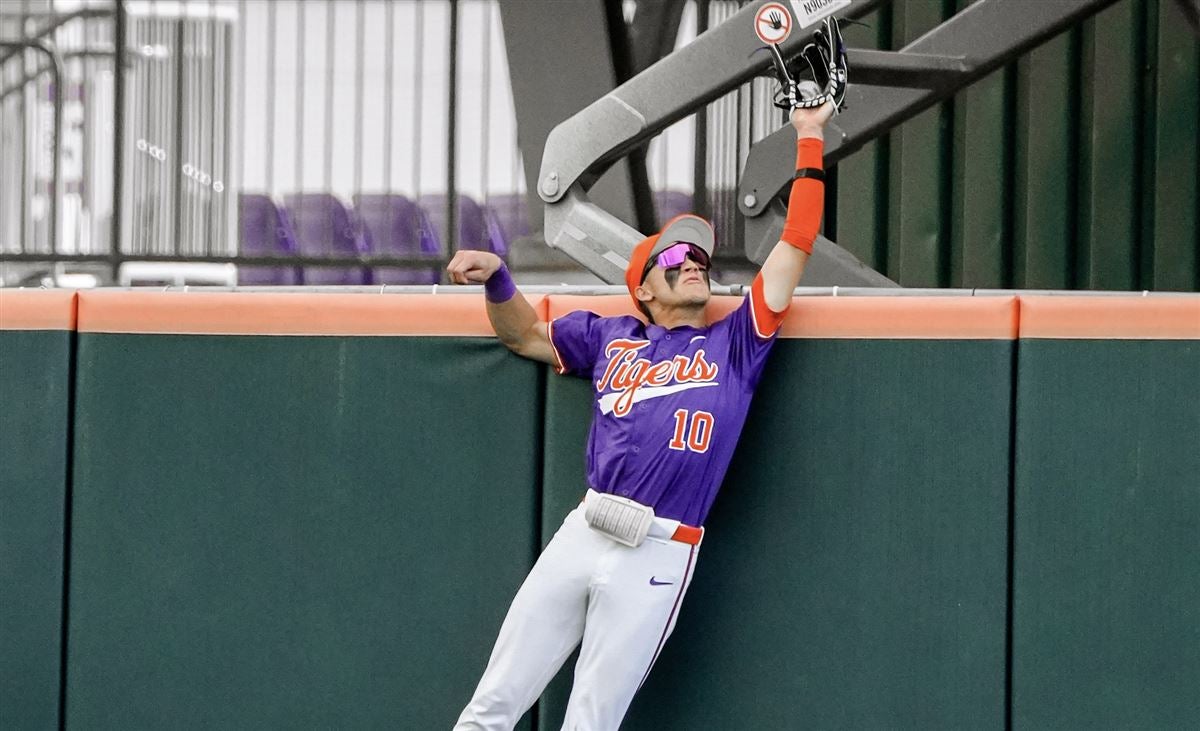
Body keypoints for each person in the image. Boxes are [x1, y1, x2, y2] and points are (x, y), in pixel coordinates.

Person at [447, 98, 834, 730]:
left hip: (659, 551)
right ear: (644, 288)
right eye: (677, 259)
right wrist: (497, 278)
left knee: (590, 723)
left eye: (700, 259)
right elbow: (524, 336)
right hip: (586, 529)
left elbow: (796, 240)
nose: (694, 264)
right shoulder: (612, 336)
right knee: (492, 704)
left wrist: (809, 137)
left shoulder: (737, 343)